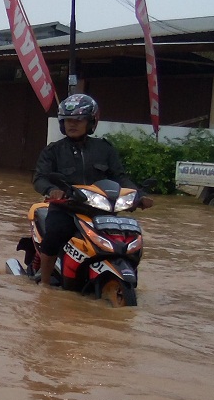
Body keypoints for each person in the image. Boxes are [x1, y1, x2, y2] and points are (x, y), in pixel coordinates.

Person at [31, 93, 154, 283]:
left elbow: (120, 177)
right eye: (68, 120)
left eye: (79, 120)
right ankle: (44, 284)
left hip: (102, 208)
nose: (73, 124)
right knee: (55, 233)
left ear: (91, 122)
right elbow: (39, 178)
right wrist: (51, 190)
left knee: (126, 236)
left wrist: (138, 195)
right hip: (66, 208)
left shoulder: (105, 149)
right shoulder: (53, 150)